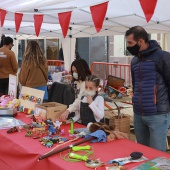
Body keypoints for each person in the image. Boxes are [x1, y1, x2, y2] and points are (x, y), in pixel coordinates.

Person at [125, 26, 170, 152]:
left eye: (130, 43)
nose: (128, 46)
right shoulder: (134, 61)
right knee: (143, 153)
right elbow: (135, 85)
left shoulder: (163, 57)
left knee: (157, 156)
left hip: (158, 115)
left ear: (140, 41)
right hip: (138, 114)